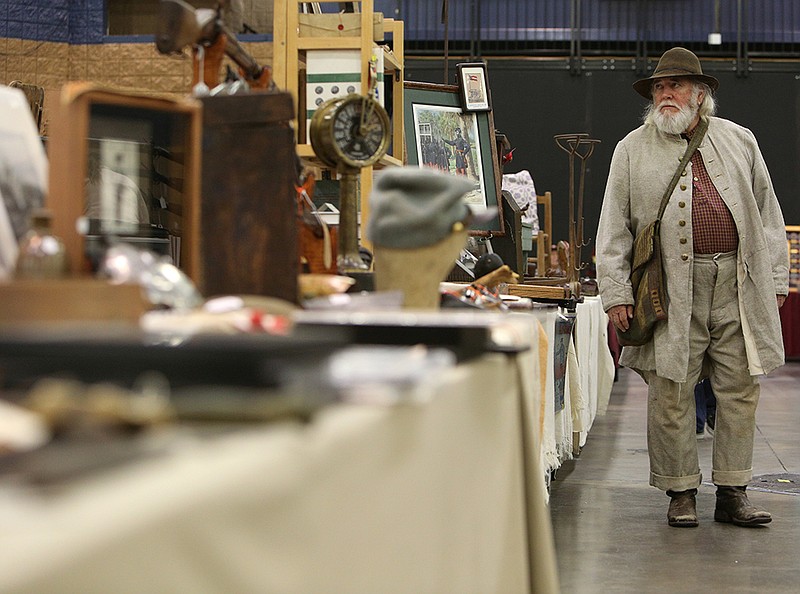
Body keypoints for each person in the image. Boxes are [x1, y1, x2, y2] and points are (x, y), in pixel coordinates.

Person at [596, 47, 789, 528]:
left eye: (676, 86)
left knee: (739, 387)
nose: (665, 94)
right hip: (669, 286)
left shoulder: (740, 141)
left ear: (700, 95)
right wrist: (616, 291)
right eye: (659, 87)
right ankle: (680, 491)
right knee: (671, 388)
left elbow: (768, 215)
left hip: (737, 282)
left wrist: (777, 280)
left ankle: (732, 490)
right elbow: (613, 227)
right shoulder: (631, 149)